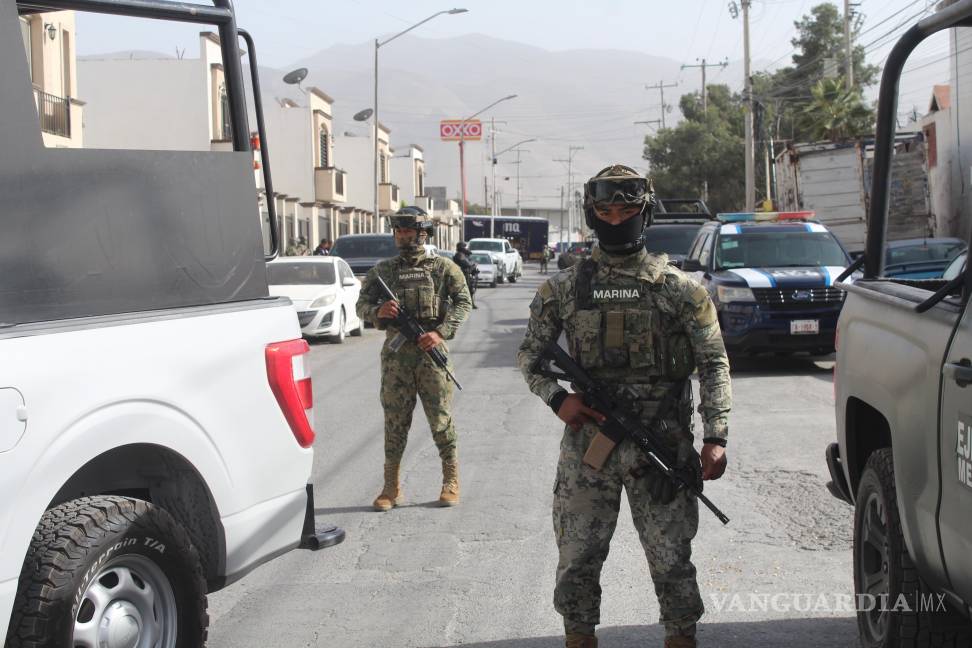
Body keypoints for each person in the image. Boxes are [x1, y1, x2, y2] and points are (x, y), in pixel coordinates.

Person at [516, 165, 731, 648]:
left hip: (663, 444)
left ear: (645, 212)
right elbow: (531, 355)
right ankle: (579, 637)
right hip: (588, 448)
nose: (616, 219)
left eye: (627, 209)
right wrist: (558, 399)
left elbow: (713, 363)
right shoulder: (565, 288)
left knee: (672, 558)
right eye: (606, 210)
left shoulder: (679, 289)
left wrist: (716, 435)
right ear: (591, 215)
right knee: (577, 557)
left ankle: (680, 637)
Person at [356, 206, 473, 511]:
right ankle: (391, 487)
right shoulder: (383, 271)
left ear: (423, 233)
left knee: (440, 421)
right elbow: (362, 304)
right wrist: (376, 312)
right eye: (398, 231)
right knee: (395, 422)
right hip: (396, 358)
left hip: (431, 355)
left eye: (408, 231)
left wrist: (442, 332)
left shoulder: (444, 268)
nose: (403, 236)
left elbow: (464, 302)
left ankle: (450, 481)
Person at [453, 241, 480, 309]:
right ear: (462, 248)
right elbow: (466, 264)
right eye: (465, 247)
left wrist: (473, 265)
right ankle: (463, 304)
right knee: (465, 290)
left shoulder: (464, 255)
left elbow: (470, 261)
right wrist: (473, 264)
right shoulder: (459, 255)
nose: (467, 248)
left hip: (467, 274)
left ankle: (471, 303)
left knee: (471, 290)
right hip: (462, 275)